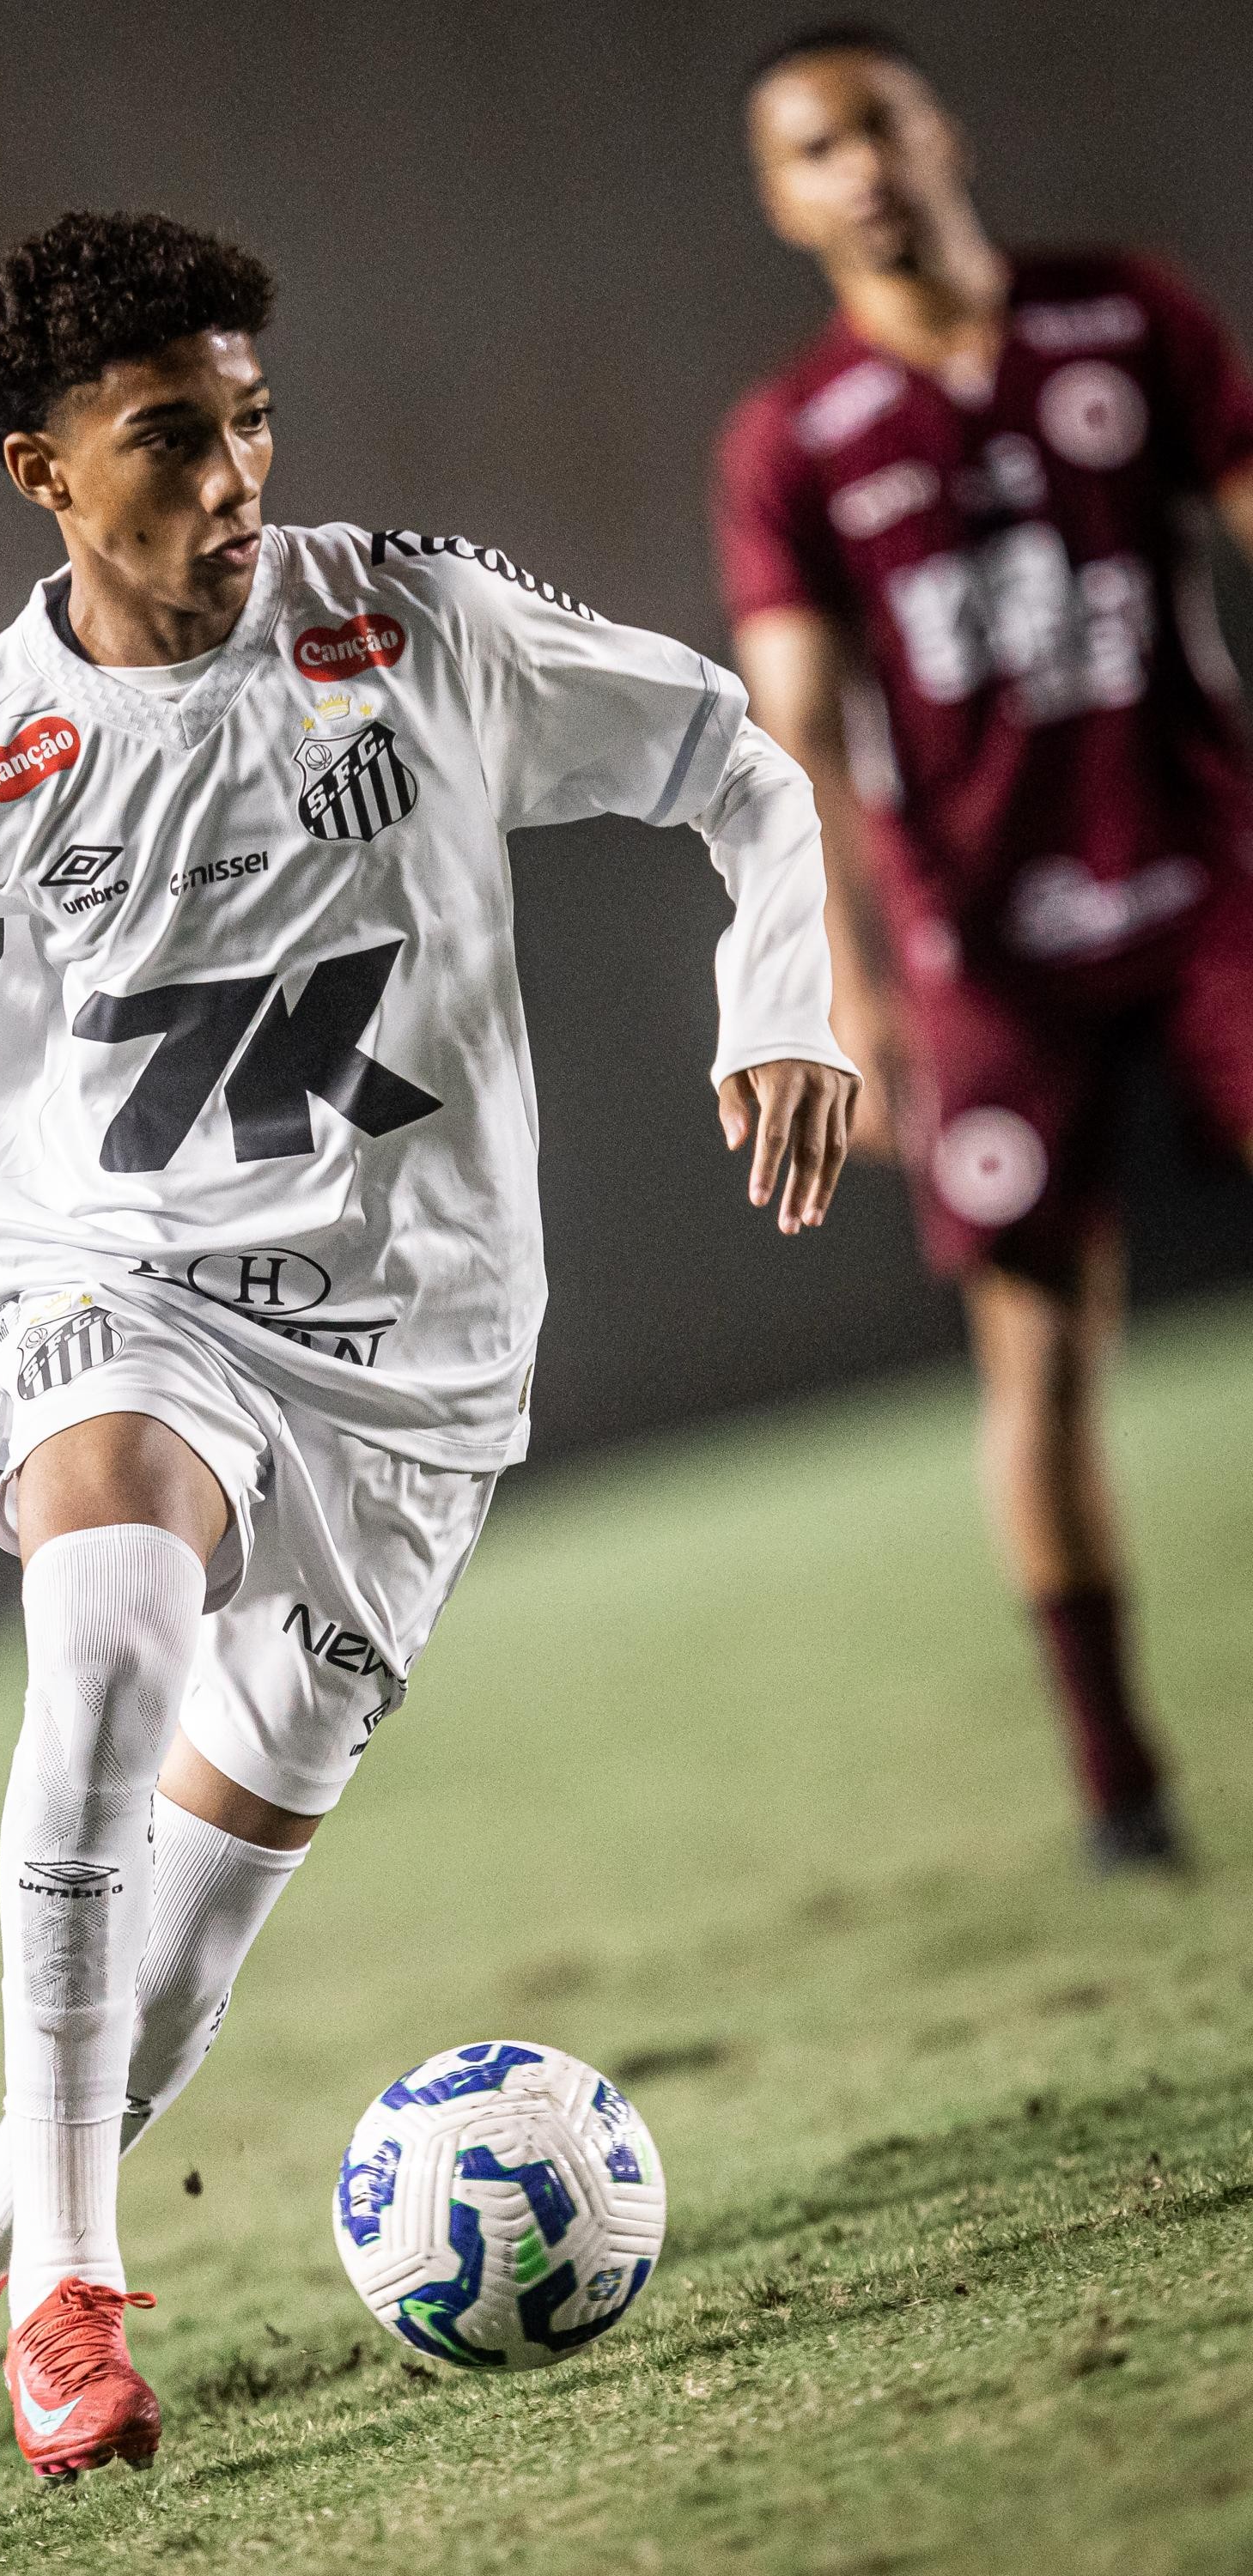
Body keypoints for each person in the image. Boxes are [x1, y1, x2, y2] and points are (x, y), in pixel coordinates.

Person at [0, 208, 857, 2495]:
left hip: (419, 1366)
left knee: (150, 2002)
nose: (239, 468)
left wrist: (785, 1000)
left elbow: (740, 763)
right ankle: (75, 2293)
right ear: (46, 475)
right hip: (117, 1287)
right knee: (109, 1638)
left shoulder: (416, 624)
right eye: (175, 436)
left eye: (253, 416)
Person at [715, 24, 1253, 1870]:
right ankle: (1121, 1789)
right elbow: (796, 728)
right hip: (986, 951)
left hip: (1207, 879)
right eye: (812, 149)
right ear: (783, 202)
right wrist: (843, 984)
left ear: (938, 131)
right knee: (1040, 1358)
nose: (856, 164)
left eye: (876, 122)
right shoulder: (797, 438)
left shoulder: (1123, 318)